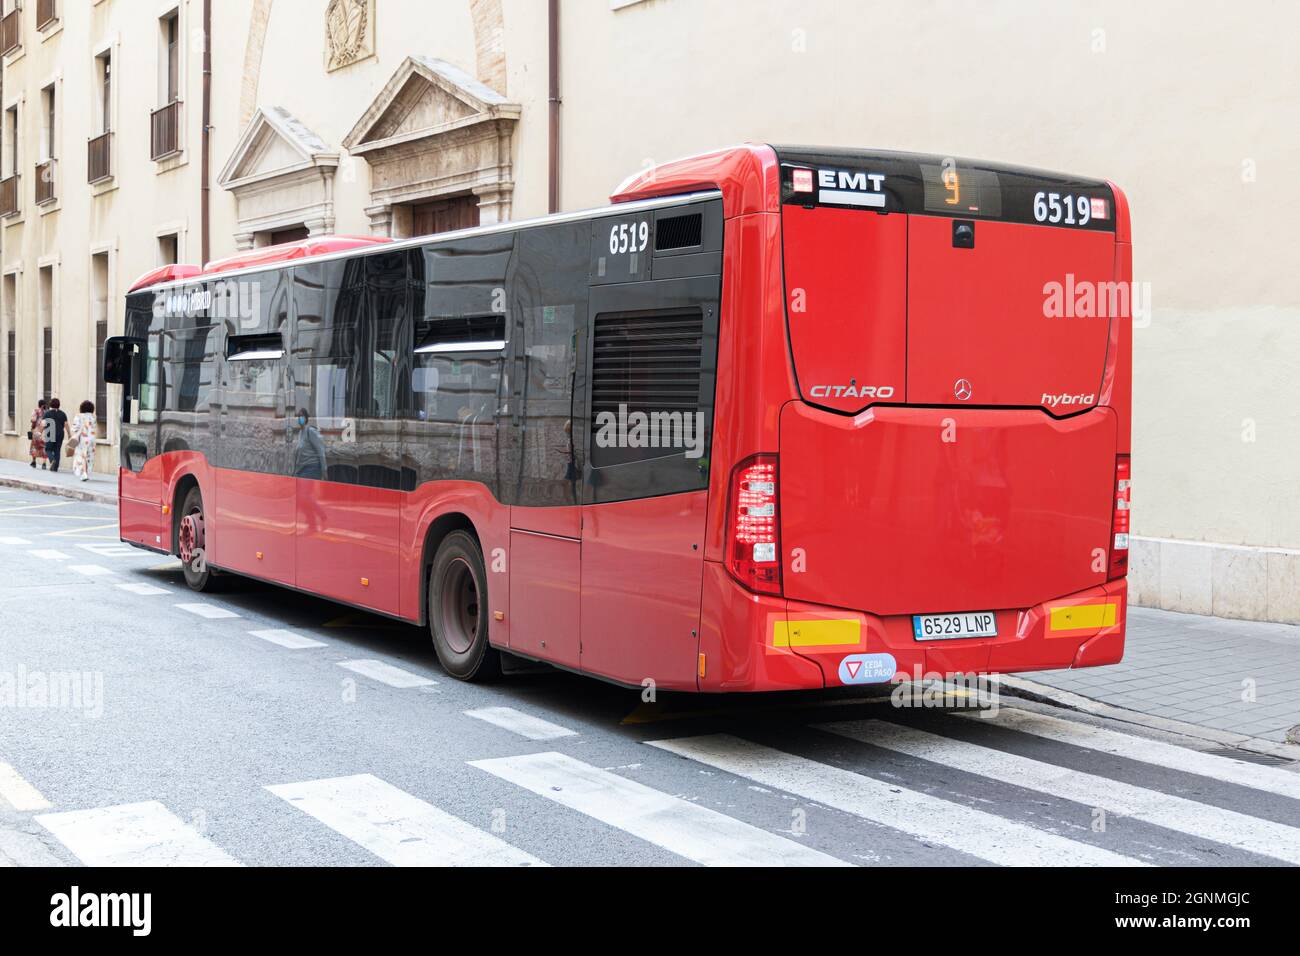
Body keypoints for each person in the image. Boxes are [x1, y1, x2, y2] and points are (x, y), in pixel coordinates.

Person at [70, 400, 97, 481]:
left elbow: (75, 428)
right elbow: (93, 427)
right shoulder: (93, 417)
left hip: (82, 438)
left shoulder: (78, 416)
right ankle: (86, 472)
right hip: (92, 438)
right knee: (89, 456)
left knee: (82, 456)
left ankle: (84, 473)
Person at [42, 398, 68, 473]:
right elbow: (66, 424)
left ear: (50, 404)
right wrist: (69, 434)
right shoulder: (62, 413)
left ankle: (52, 460)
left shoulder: (47, 413)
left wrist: (40, 432)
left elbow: (43, 424)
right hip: (60, 433)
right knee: (57, 450)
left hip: (50, 432)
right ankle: (55, 467)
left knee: (48, 449)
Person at [29, 398, 48, 469]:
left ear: (39, 404)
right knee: (44, 446)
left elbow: (33, 420)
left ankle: (34, 462)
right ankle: (44, 463)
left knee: (34, 446)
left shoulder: (36, 411)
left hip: (36, 431)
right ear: (44, 405)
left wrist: (33, 424)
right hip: (44, 431)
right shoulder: (47, 412)